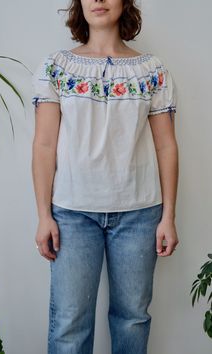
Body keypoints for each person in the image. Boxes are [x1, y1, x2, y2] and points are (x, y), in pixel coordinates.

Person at [31, 0, 179, 353]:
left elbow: (166, 147)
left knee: (132, 318)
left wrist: (169, 217)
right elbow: (44, 145)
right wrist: (43, 216)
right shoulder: (56, 67)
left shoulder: (152, 70)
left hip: (140, 214)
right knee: (69, 324)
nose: (98, 0)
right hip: (71, 214)